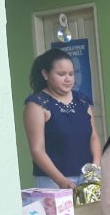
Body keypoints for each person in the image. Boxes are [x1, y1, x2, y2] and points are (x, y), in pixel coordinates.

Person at [24, 48, 102, 189]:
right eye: (61, 74)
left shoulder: (82, 101)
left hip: (86, 178)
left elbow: (94, 137)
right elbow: (37, 150)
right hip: (52, 181)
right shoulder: (37, 104)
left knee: (90, 212)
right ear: (45, 74)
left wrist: (95, 167)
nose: (68, 79)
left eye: (71, 74)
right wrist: (62, 181)